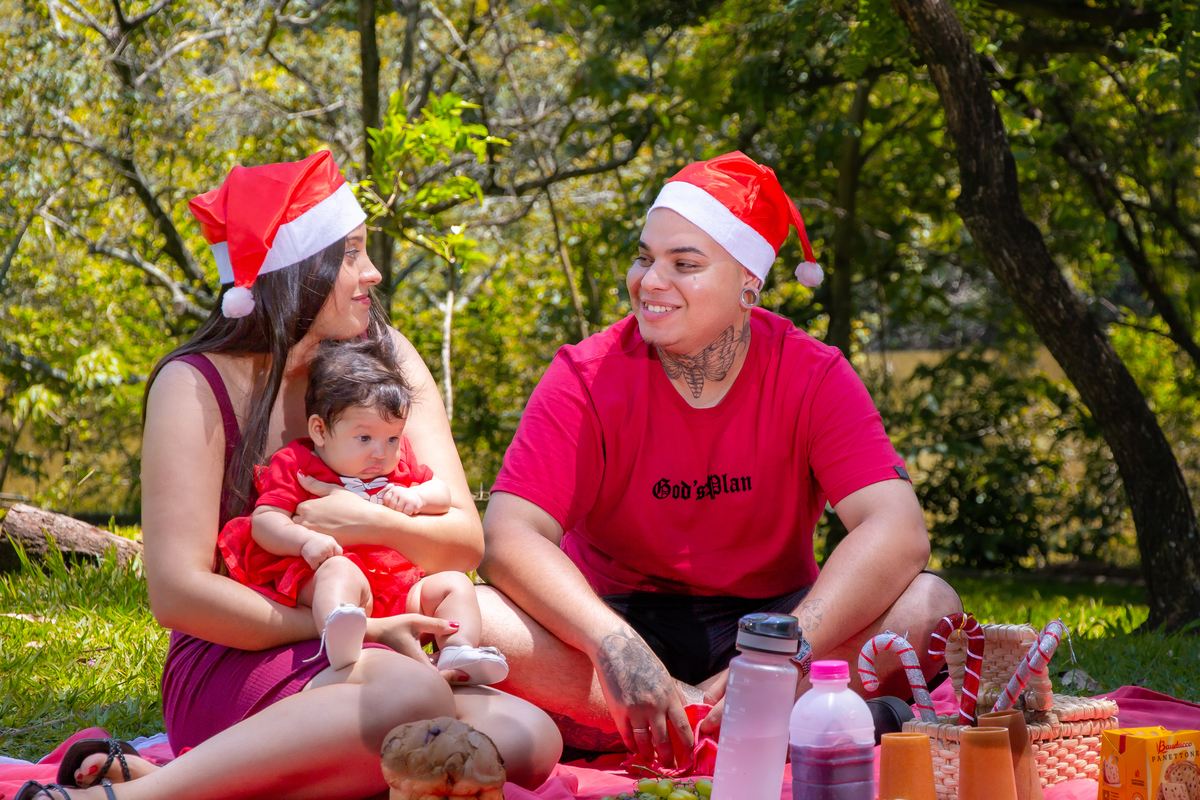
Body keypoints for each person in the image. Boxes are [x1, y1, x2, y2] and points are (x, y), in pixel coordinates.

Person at [22, 151, 559, 800]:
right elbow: (178, 595)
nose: (373, 272)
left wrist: (366, 522)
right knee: (412, 700)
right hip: (242, 651)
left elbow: (462, 543)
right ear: (299, 273)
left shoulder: (387, 361)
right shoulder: (195, 385)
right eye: (352, 254)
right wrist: (350, 628)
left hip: (381, 638)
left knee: (530, 739)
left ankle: (193, 778)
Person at [476, 151, 962, 769]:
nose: (651, 281)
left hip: (775, 623)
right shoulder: (585, 374)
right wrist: (613, 645)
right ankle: (760, 723)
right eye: (645, 258)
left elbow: (897, 530)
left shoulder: (813, 373)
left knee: (931, 606)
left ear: (747, 285)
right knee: (469, 615)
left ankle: (665, 725)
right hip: (613, 620)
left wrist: (784, 651)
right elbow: (508, 535)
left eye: (684, 265)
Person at [217, 336, 508, 682]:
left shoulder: (399, 465)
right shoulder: (298, 464)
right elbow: (265, 521)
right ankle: (341, 635)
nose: (381, 453)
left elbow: (442, 492)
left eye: (392, 438)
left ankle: (457, 649)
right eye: (364, 438)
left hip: (399, 587)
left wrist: (419, 497)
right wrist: (303, 541)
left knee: (454, 584)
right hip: (334, 579)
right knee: (338, 570)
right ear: (320, 430)